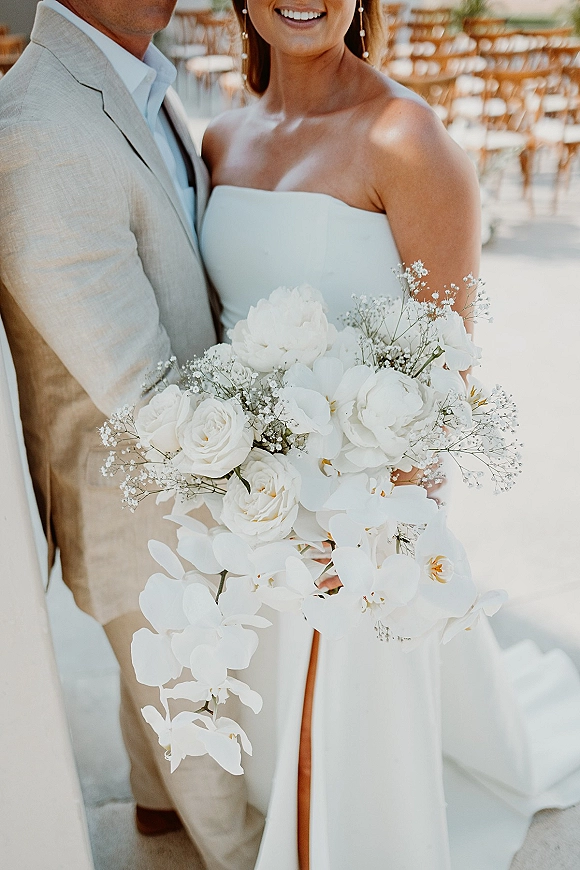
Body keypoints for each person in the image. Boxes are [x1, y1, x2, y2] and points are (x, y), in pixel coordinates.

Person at [199, 1, 580, 868]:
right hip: (255, 498)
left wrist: (381, 517)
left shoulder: (407, 136)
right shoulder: (220, 138)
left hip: (367, 503)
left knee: (342, 740)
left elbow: (451, 356)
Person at [0, 2, 262, 868]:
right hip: (139, 507)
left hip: (173, 497)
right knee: (222, 778)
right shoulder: (39, 124)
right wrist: (292, 473)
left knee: (165, 703)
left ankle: (153, 806)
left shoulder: (135, 76)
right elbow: (141, 394)